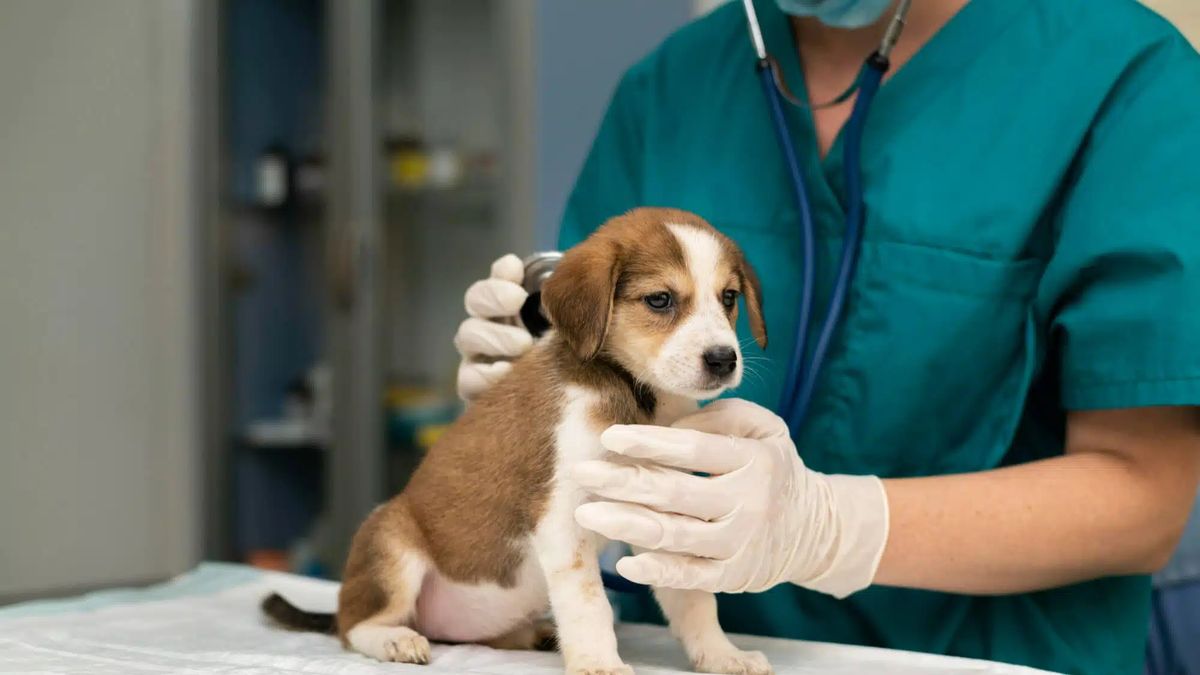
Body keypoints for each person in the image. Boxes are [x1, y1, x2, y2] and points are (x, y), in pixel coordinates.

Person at [454, 1, 1200, 672]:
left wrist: (832, 528)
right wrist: (537, 385)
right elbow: (601, 354)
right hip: (695, 654)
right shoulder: (672, 85)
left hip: (987, 655)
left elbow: (1144, 500)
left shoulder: (1120, 75)